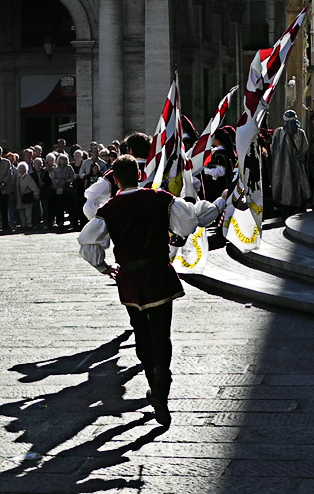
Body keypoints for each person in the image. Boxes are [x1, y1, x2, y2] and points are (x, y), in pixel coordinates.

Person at [77, 155, 227, 425]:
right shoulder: (161, 198)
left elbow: (88, 242)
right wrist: (220, 202)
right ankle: (160, 389)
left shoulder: (109, 208)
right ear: (139, 174)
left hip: (130, 277)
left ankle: (152, 382)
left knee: (142, 333)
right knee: (161, 333)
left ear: (116, 179)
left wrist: (103, 267)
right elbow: (192, 219)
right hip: (158, 272)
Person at [269, 110, 311, 213]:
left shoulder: (278, 132)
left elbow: (272, 148)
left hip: (280, 164)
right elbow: (305, 148)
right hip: (295, 163)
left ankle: (282, 204)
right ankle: (297, 203)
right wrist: (300, 157)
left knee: (282, 181)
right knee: (297, 181)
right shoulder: (300, 132)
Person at [13, 160, 40, 231]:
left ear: (26, 169)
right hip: (20, 198)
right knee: (21, 213)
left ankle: (29, 225)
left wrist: (36, 195)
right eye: (20, 168)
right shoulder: (18, 178)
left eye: (23, 168)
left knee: (28, 213)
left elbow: (34, 187)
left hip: (27, 198)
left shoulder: (28, 177)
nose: (21, 169)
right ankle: (23, 225)